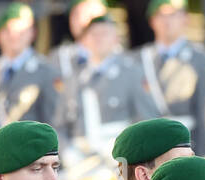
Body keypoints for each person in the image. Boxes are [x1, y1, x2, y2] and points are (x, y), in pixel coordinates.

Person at [57, 14, 159, 160]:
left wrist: (127, 151)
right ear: (84, 41)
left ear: (116, 39)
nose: (98, 38)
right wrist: (67, 152)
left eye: (104, 33)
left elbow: (147, 122)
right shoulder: (73, 79)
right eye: (93, 34)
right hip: (80, 165)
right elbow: (59, 125)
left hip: (120, 163)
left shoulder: (132, 74)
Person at [133, 0, 205, 150]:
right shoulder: (137, 61)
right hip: (149, 147)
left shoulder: (203, 59)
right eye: (161, 15)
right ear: (152, 21)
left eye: (173, 14)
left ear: (186, 18)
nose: (167, 21)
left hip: (190, 144)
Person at [0, 3, 63, 128]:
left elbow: (54, 122)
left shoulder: (46, 72)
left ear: (33, 33)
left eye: (21, 32)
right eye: (8, 31)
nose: (14, 36)